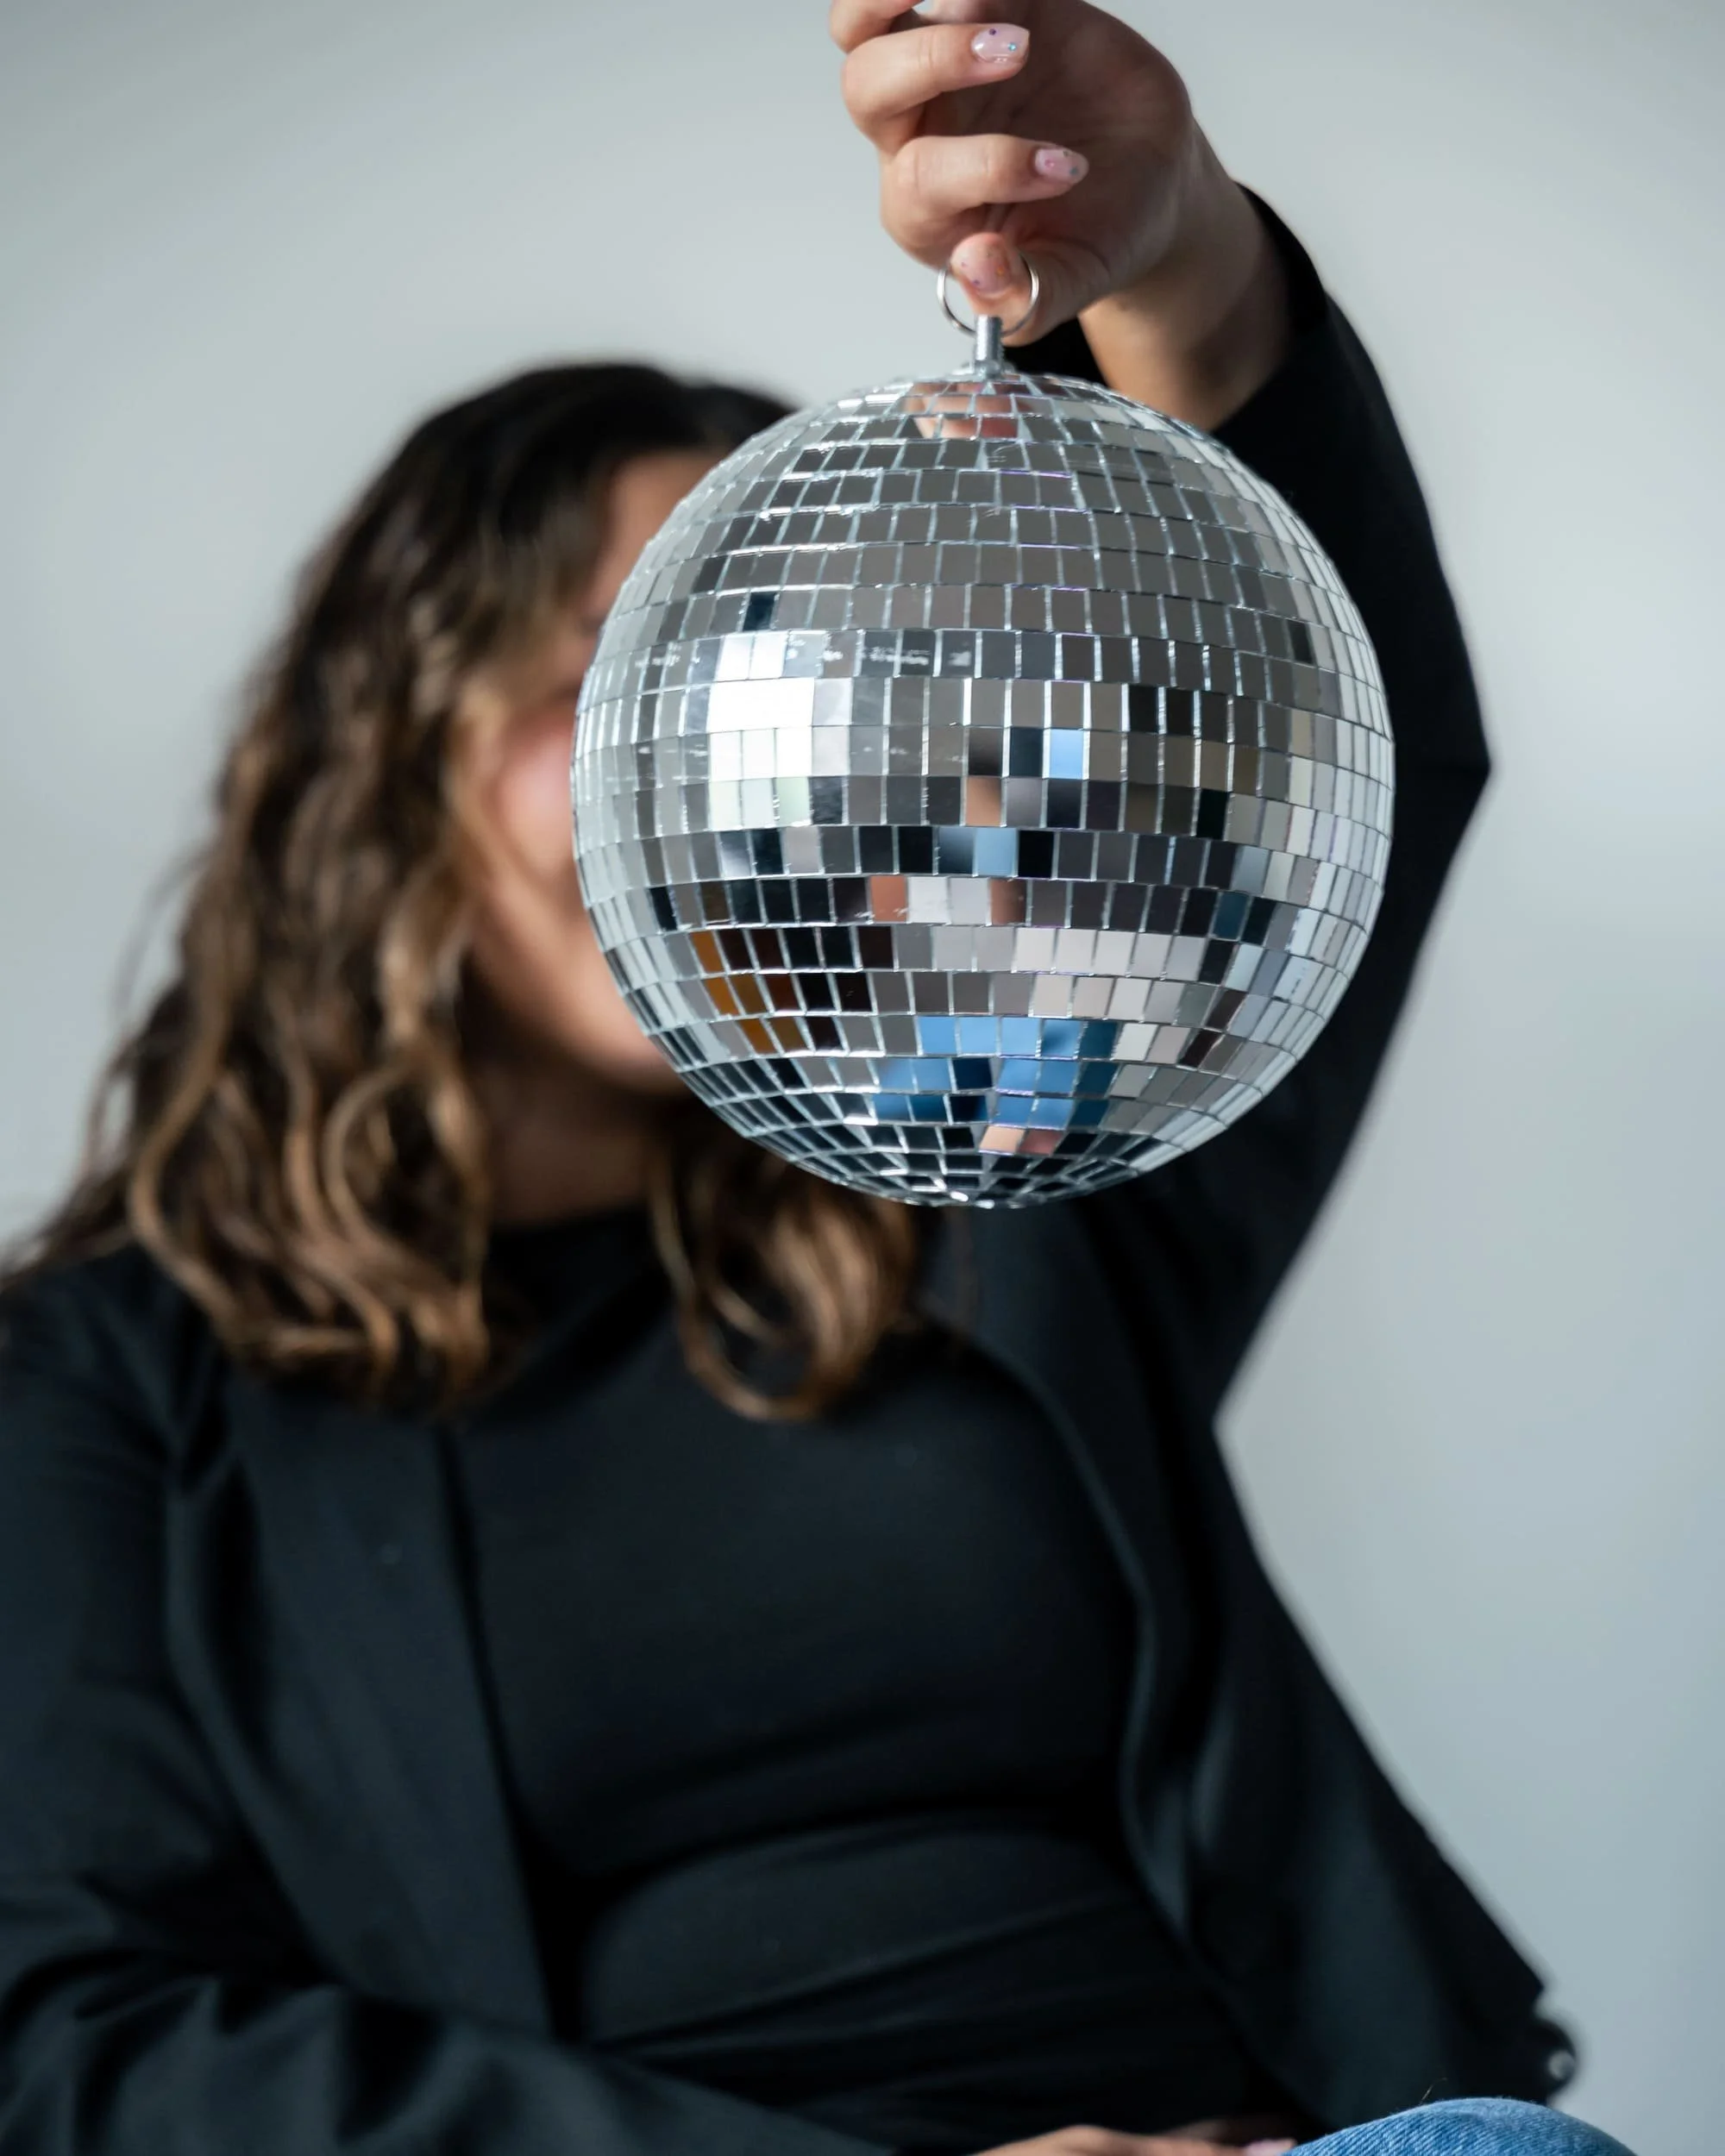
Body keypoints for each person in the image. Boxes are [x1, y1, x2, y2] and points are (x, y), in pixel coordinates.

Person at [0, 3, 1634, 2153]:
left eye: (801, 699)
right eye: (616, 687)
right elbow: (78, 2038)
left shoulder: (998, 1165)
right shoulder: (113, 1385)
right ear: (377, 768)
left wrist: (1176, 258)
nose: (738, 798)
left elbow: (1346, 753)